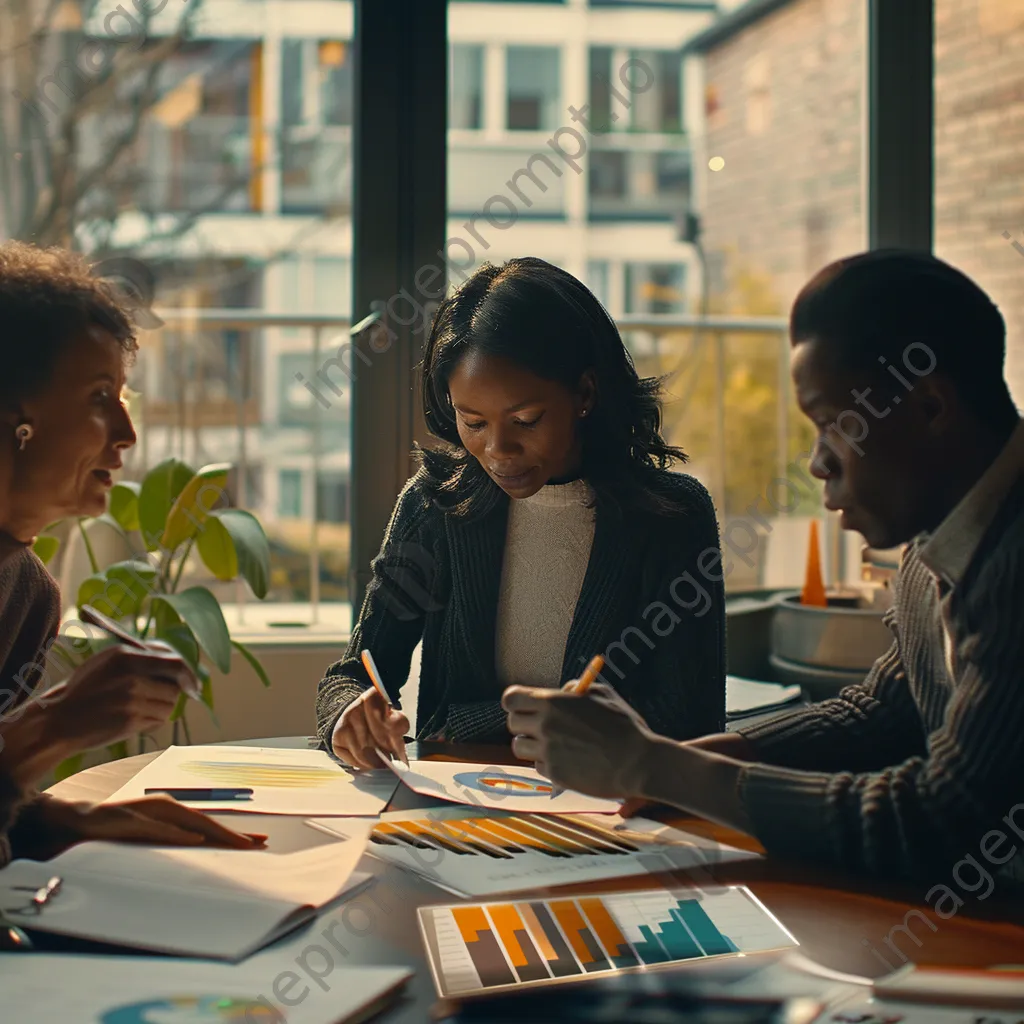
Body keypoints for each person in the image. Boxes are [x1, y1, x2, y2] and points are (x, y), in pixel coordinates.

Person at [504, 249, 1024, 886]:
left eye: (834, 426)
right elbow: (885, 714)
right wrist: (667, 766)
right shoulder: (941, 534)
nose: (816, 464)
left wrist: (656, 768)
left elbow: (939, 820)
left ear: (931, 408)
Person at [318, 257, 726, 768]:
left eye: (526, 420)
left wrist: (471, 721)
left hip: (611, 812)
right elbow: (356, 672)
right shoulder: (435, 503)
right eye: (473, 422)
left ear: (584, 393)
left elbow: (691, 720)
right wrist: (346, 715)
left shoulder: (672, 518)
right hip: (456, 809)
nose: (498, 450)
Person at [0, 241, 263, 864]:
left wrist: (74, 820)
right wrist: (51, 727)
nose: (127, 433)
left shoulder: (30, 596)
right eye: (99, 397)